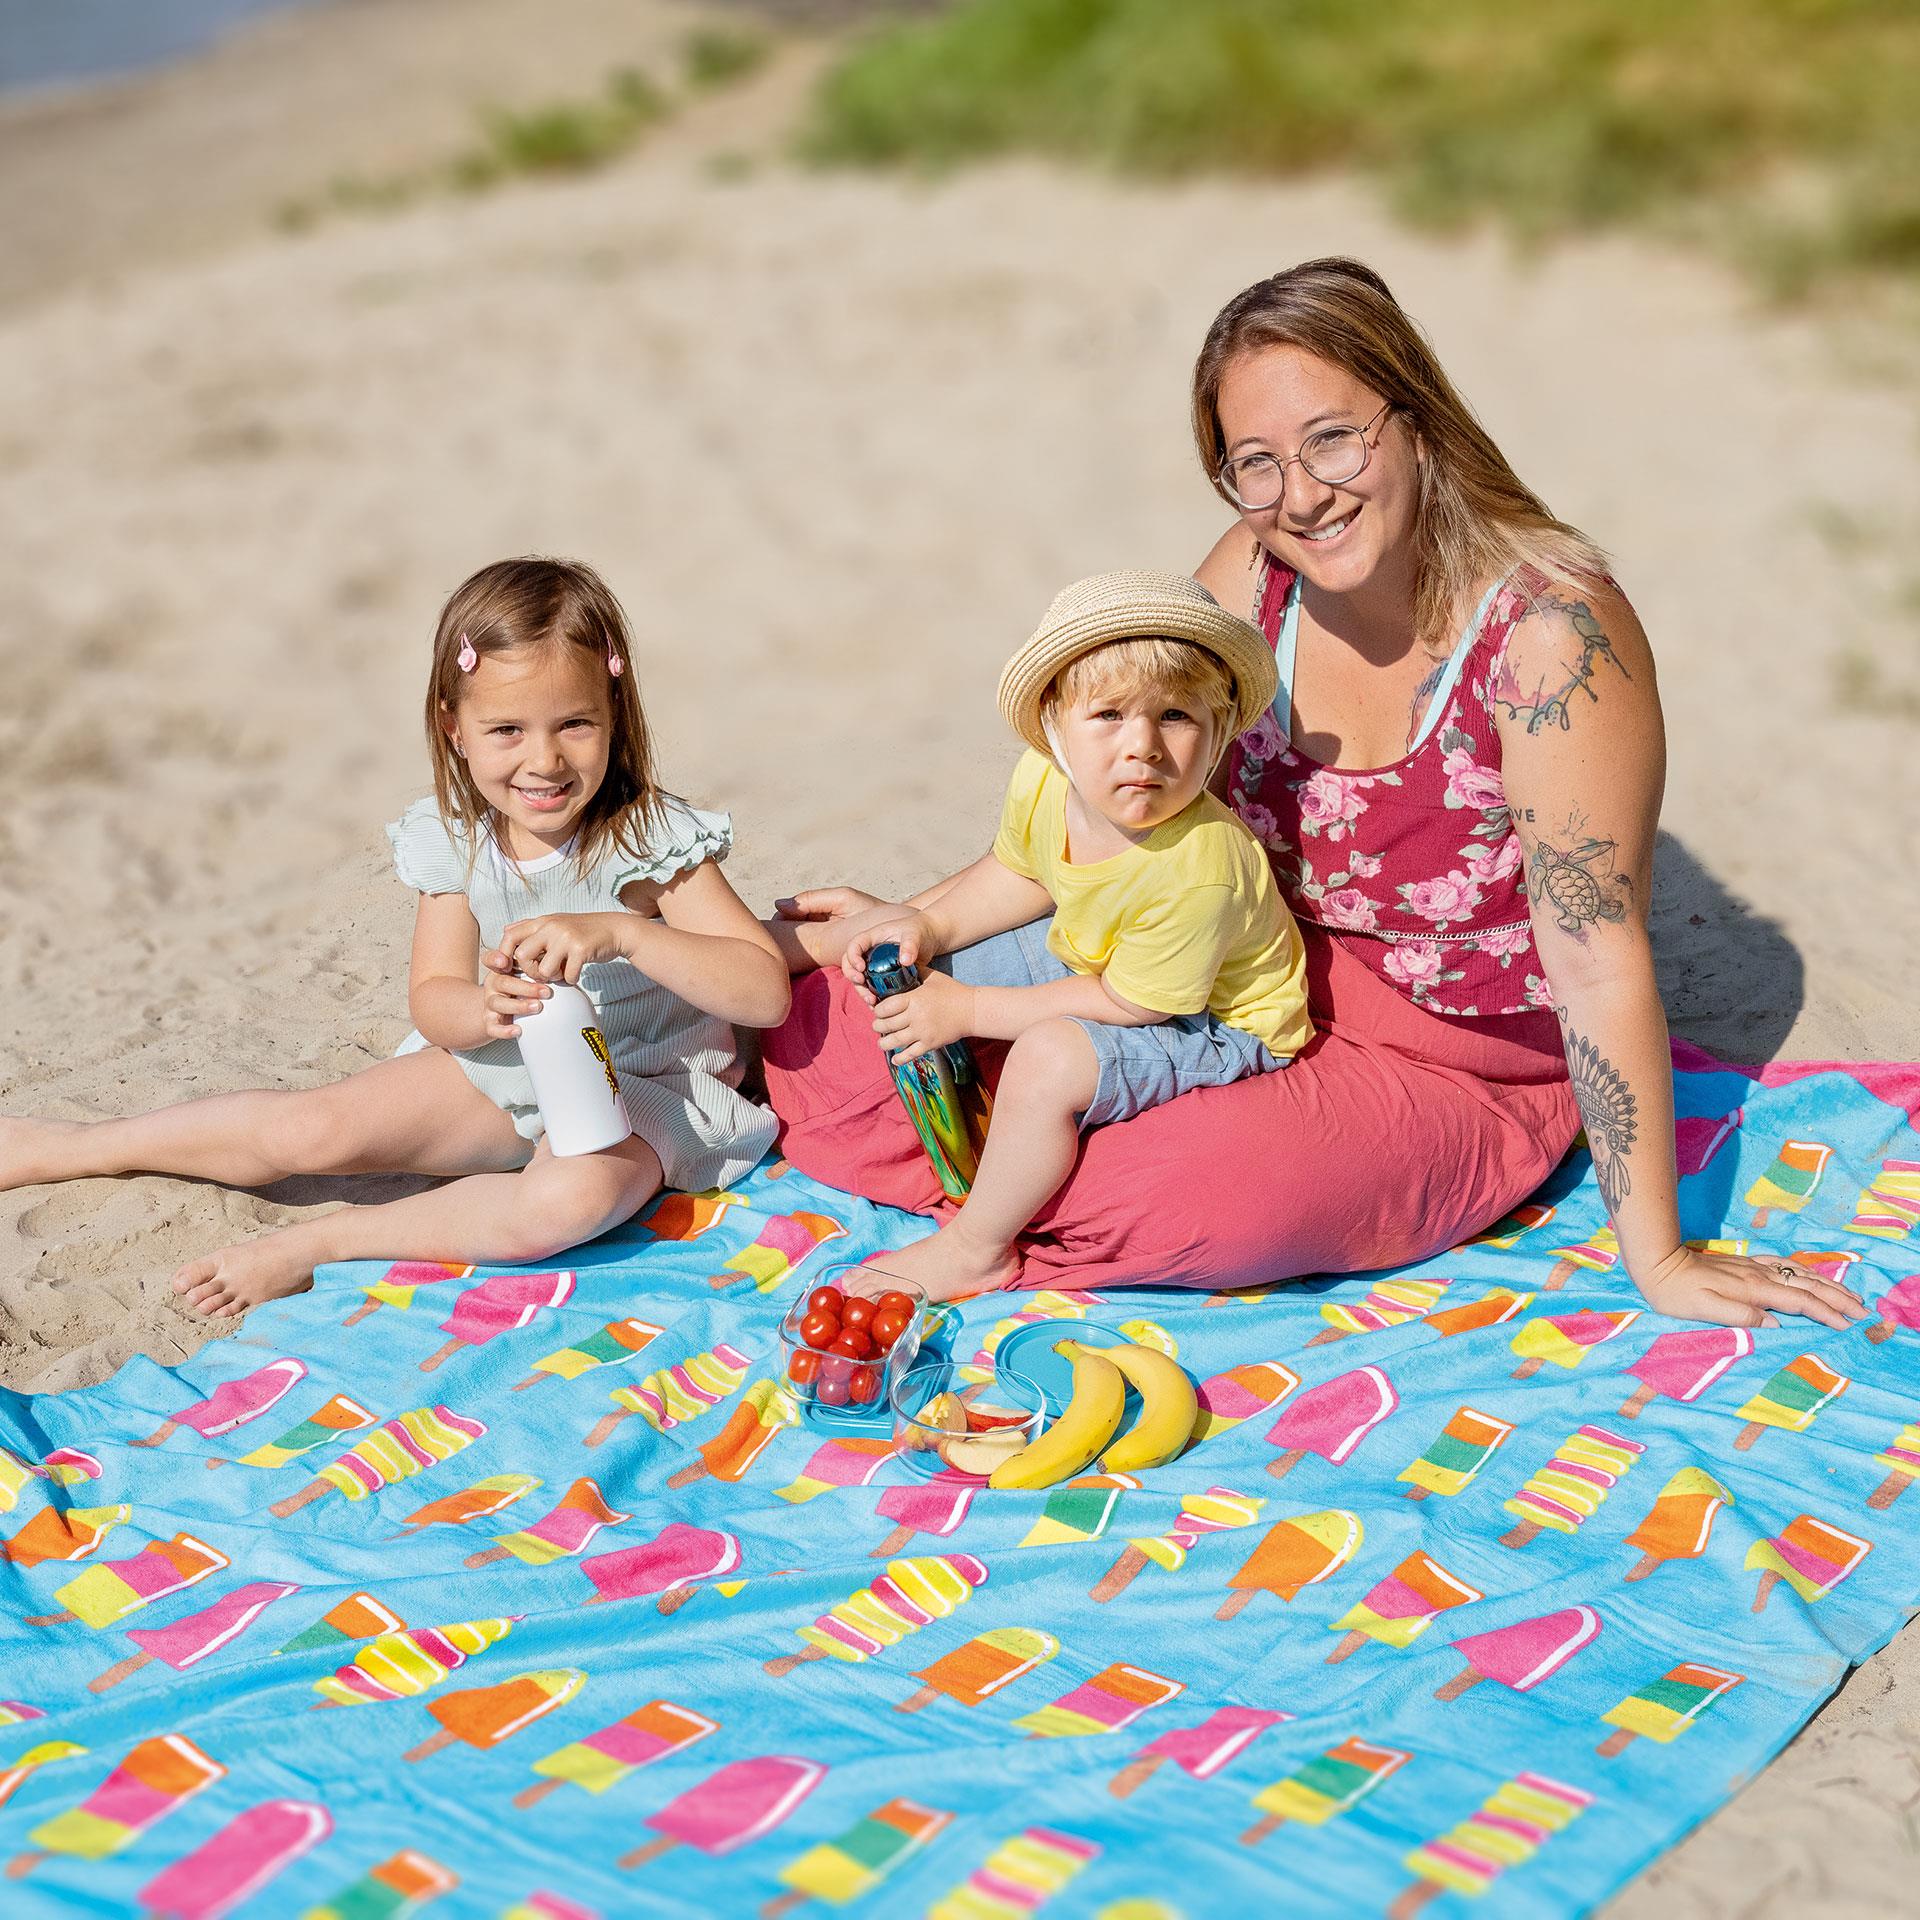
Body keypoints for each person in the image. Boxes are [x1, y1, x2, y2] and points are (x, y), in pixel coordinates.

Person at [768, 258, 1865, 1333]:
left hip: (1451, 1061)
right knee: (853, 1041)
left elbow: (1594, 954)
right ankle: (1006, 1169)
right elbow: (1111, 797)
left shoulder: (1549, 639)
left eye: (1333, 439)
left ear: (1417, 416)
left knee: (1163, 1188)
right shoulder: (1255, 575)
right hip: (1236, 970)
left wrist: (1661, 1255)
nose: (1298, 495)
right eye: (1255, 462)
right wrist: (929, 913)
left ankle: (1015, 1201)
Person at [0, 556, 789, 1314]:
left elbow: (761, 991)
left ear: (615, 714)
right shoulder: (456, 839)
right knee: (312, 1129)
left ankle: (336, 1239)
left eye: (574, 724)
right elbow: (433, 999)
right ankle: (74, 1145)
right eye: (507, 729)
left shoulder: (647, 838)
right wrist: (485, 1012)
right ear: (455, 728)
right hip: (511, 1064)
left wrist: (627, 935)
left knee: (569, 1200)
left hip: (647, 1090)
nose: (543, 760)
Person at [824, 569, 1312, 1301]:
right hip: (1111, 960)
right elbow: (1018, 874)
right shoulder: (1045, 779)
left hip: (1215, 1017)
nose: (1142, 745)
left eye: (1176, 717)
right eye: (1109, 714)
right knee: (936, 965)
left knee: (1050, 1056)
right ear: (1054, 724)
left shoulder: (1200, 866)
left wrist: (970, 1010)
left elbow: (1133, 1005)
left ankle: (979, 1246)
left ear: (1216, 737)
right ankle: (940, 1130)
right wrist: (930, 923)